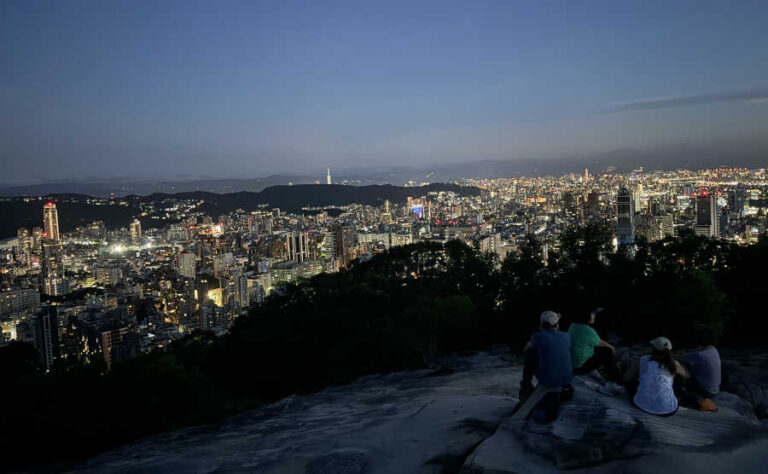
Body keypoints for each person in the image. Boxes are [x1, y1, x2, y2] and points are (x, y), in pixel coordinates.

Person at [630, 337, 716, 416]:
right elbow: (686, 376)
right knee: (679, 379)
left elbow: (629, 377)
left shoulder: (643, 359)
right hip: (667, 410)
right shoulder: (674, 364)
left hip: (640, 404)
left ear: (653, 349)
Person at [520, 310, 574, 402]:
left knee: (530, 353)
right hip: (568, 379)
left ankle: (526, 385)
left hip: (547, 381)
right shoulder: (566, 335)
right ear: (557, 325)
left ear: (541, 325)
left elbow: (526, 349)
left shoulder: (537, 336)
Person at [568, 307, 620, 382]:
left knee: (599, 349)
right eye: (592, 314)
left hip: (572, 364)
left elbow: (596, 342)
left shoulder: (573, 325)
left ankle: (606, 374)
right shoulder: (588, 330)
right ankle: (615, 382)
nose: (594, 316)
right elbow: (601, 343)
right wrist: (612, 348)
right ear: (586, 316)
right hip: (579, 367)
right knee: (607, 351)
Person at [682, 325, 721, 399]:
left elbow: (678, 357)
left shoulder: (699, 355)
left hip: (705, 392)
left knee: (678, 364)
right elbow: (695, 351)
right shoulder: (713, 349)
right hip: (714, 390)